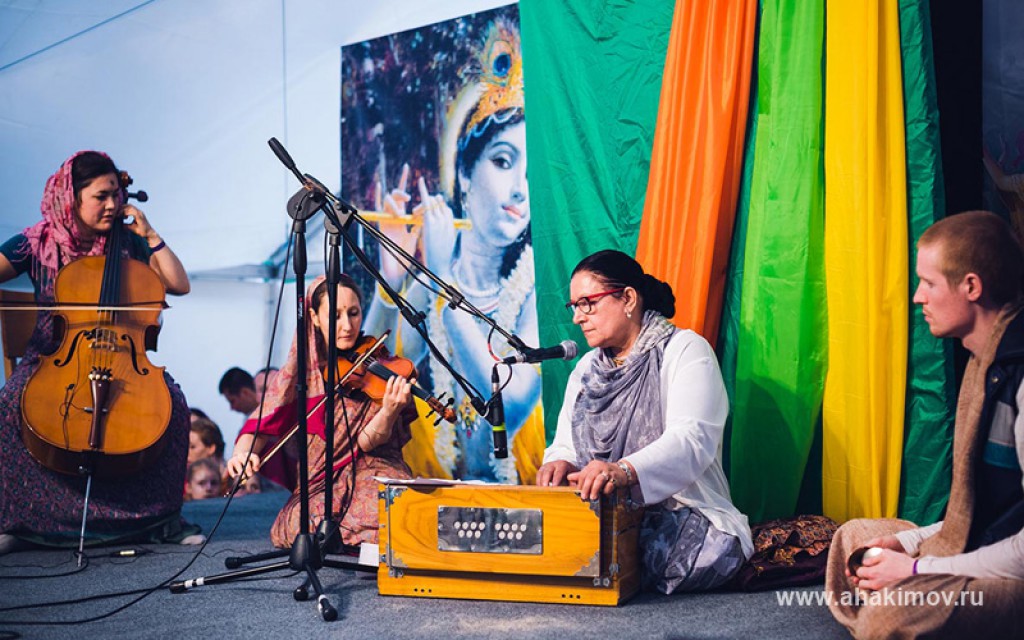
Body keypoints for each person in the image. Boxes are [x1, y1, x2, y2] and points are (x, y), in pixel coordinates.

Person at [826, 211, 1024, 638]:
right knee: (854, 537)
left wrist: (916, 569)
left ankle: (895, 608)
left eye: (928, 283)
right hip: (978, 550)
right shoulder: (981, 362)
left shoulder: (1018, 375)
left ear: (971, 287)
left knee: (890, 615)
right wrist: (907, 544)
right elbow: (974, 515)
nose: (918, 297)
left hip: (1013, 574)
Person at [365, 17, 543, 484]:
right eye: (503, 161)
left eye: (531, 174)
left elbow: (508, 405)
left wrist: (442, 281)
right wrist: (391, 284)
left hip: (521, 497)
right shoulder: (431, 283)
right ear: (464, 174)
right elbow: (367, 371)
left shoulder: (537, 292)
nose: (520, 190)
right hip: (433, 494)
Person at [0, 150, 201, 553]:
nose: (113, 204)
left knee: (175, 407)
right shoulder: (36, 242)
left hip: (124, 358)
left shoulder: (130, 243)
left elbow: (179, 285)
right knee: (8, 406)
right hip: (52, 356)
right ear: (71, 197)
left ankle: (159, 520)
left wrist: (150, 234)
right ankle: (20, 522)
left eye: (116, 195)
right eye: (101, 196)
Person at [536, 250, 753, 594]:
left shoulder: (685, 350)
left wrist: (623, 471)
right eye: (574, 306)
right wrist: (559, 461)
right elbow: (566, 443)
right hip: (603, 514)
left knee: (695, 556)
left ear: (628, 298)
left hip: (683, 511)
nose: (577, 318)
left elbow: (691, 440)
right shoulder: (587, 369)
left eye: (587, 303)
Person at [226, 274, 416, 548]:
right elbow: (261, 424)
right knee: (304, 523)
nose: (347, 326)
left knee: (399, 512)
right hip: (320, 480)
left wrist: (388, 412)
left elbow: (366, 442)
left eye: (353, 313)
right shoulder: (297, 375)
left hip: (374, 467)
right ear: (314, 317)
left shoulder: (378, 363)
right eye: (335, 316)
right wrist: (242, 454)